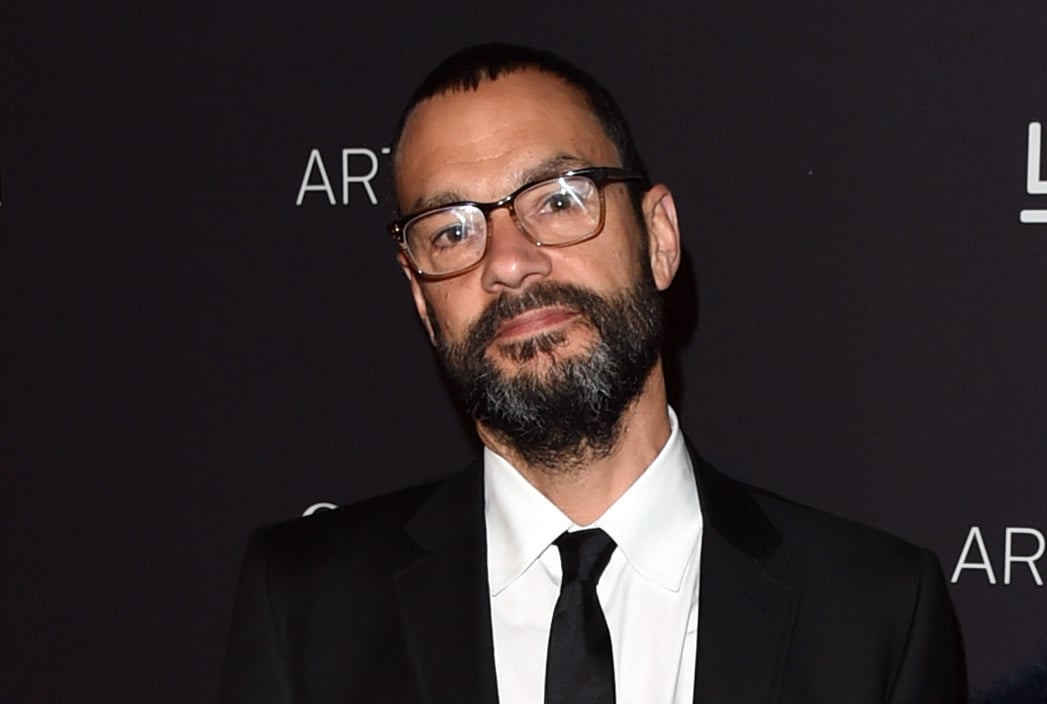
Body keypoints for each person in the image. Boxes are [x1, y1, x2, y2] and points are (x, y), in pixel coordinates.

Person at [220, 43, 966, 704]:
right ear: (420, 295)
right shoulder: (307, 605)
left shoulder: (873, 614)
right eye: (452, 230)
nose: (508, 261)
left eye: (559, 199)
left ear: (659, 238)